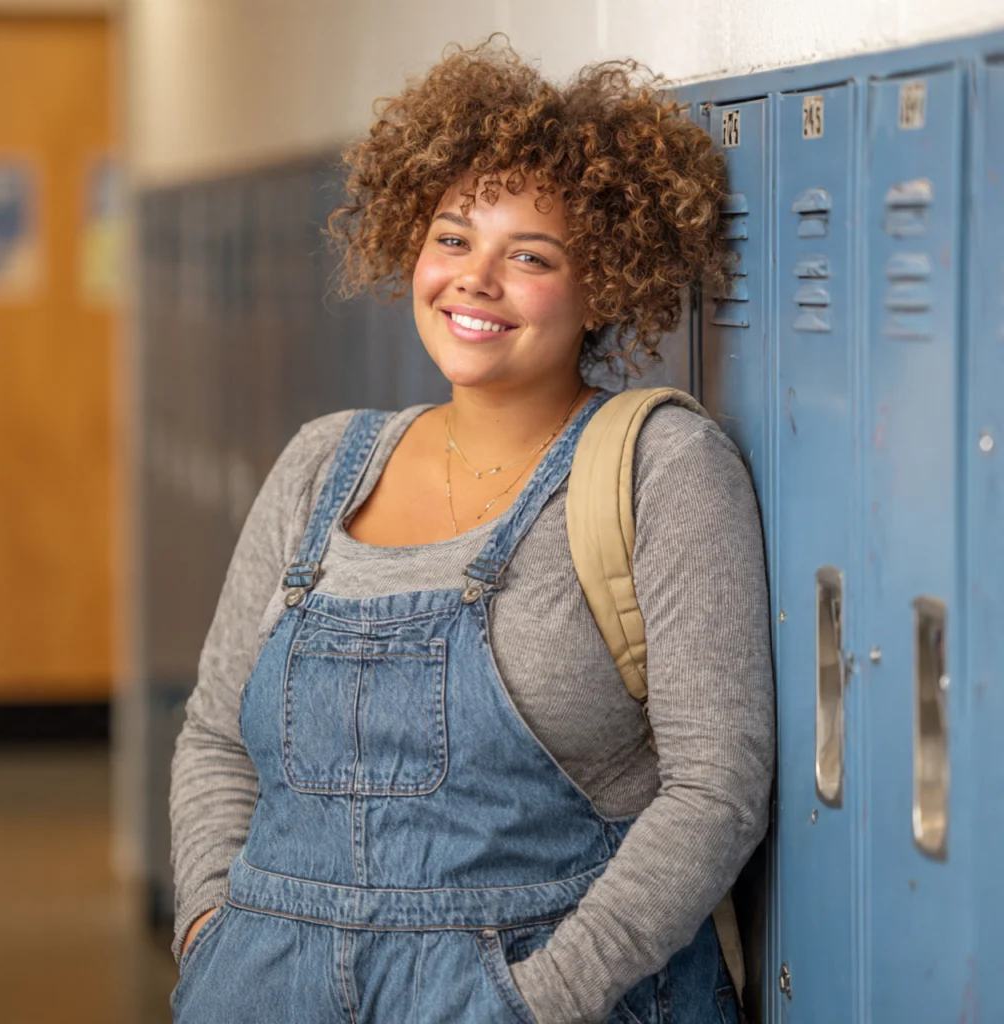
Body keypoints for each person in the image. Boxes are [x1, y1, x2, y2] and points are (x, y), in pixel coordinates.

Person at [169, 37, 774, 1024]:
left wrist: (535, 1001)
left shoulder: (659, 467)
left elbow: (717, 788)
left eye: (529, 256)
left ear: (604, 285)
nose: (475, 280)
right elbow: (212, 736)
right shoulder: (323, 462)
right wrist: (211, 934)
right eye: (452, 239)